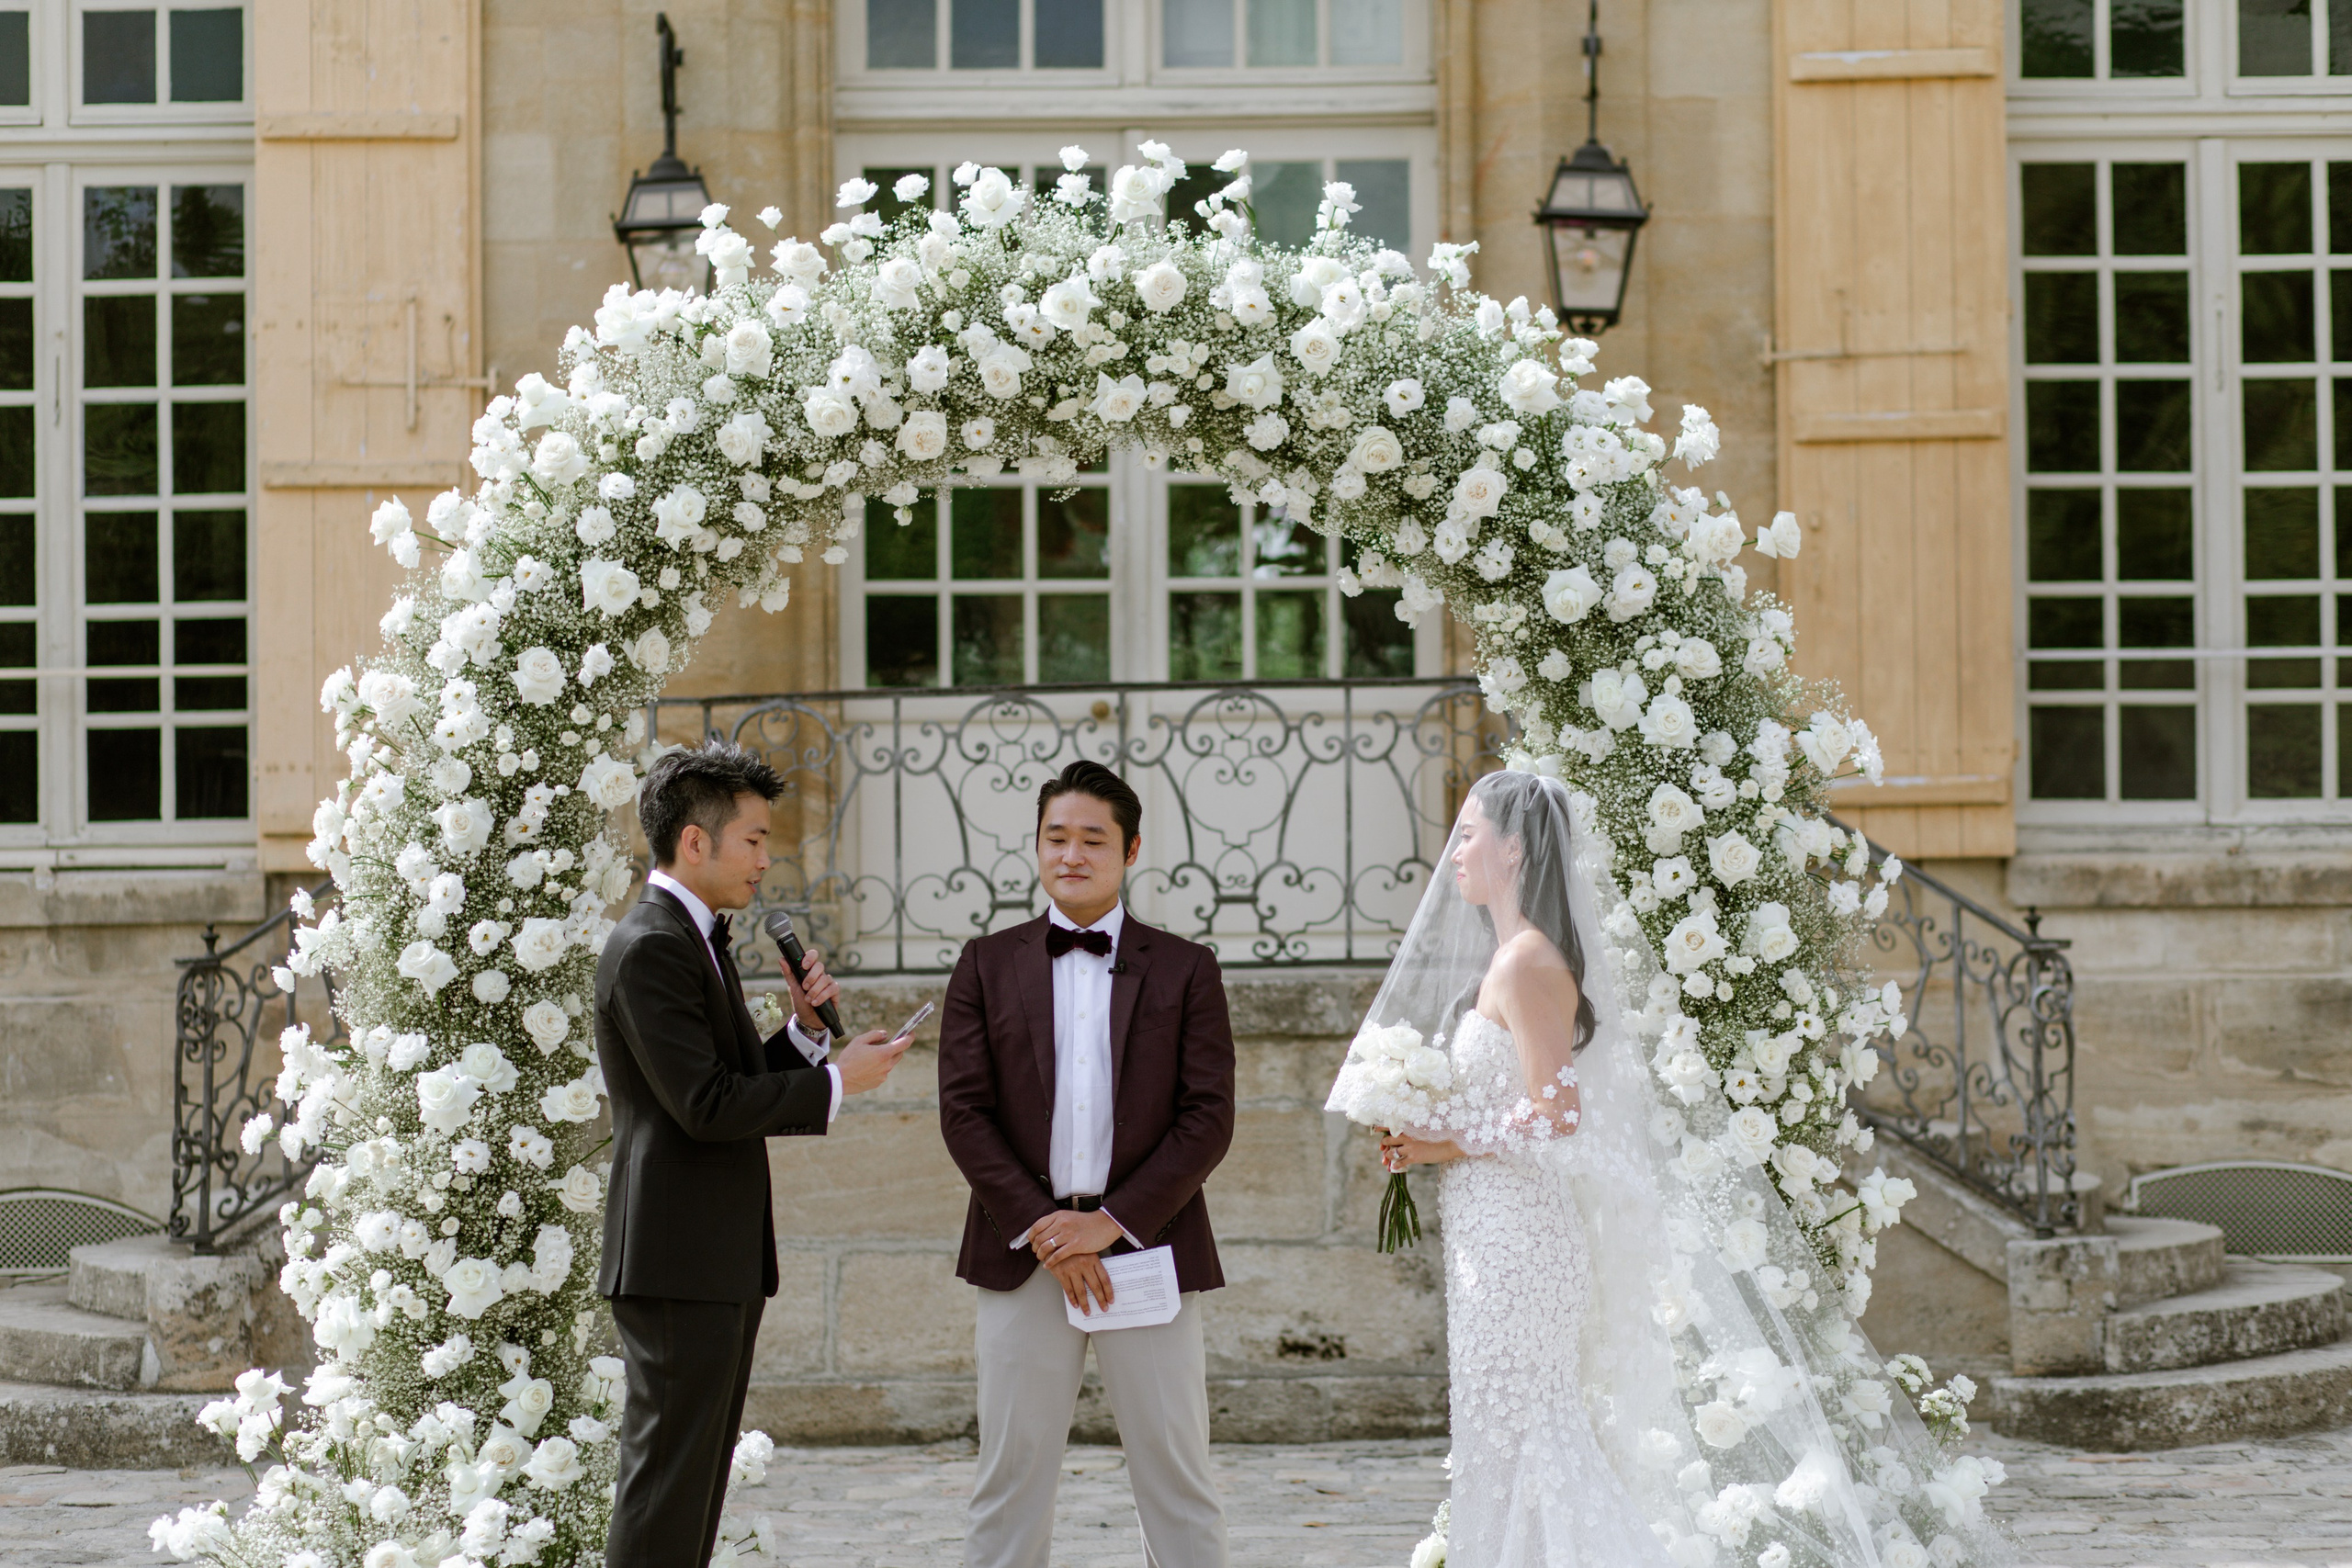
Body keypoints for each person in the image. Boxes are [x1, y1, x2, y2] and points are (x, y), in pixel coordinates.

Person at [1338, 769, 2011, 1568]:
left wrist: (1446, 1140)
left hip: (1521, 1237)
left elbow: (1557, 1114)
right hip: (1491, 1230)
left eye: (1471, 833)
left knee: (1530, 1432)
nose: (1455, 851)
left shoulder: (1524, 963)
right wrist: (1427, 1127)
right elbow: (1523, 1100)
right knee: (1500, 1434)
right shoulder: (1510, 957)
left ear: (1514, 849)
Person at [595, 740, 914, 1568]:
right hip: (675, 1261)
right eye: (754, 840)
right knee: (666, 1480)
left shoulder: (695, 936)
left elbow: (722, 1084)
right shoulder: (652, 944)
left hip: (711, 1256)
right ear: (694, 841)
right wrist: (840, 1083)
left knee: (694, 1481)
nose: (766, 860)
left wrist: (808, 1035)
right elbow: (703, 1108)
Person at [936, 760, 1236, 1568]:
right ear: (1036, 845)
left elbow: (1207, 1119)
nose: (1071, 853)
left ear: (1131, 848)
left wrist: (1105, 1224)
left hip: (1145, 1245)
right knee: (1009, 1475)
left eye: (1092, 838)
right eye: (1055, 837)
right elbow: (963, 1113)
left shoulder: (1186, 967)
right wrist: (1048, 1230)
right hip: (1022, 1251)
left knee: (1177, 1474)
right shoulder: (985, 963)